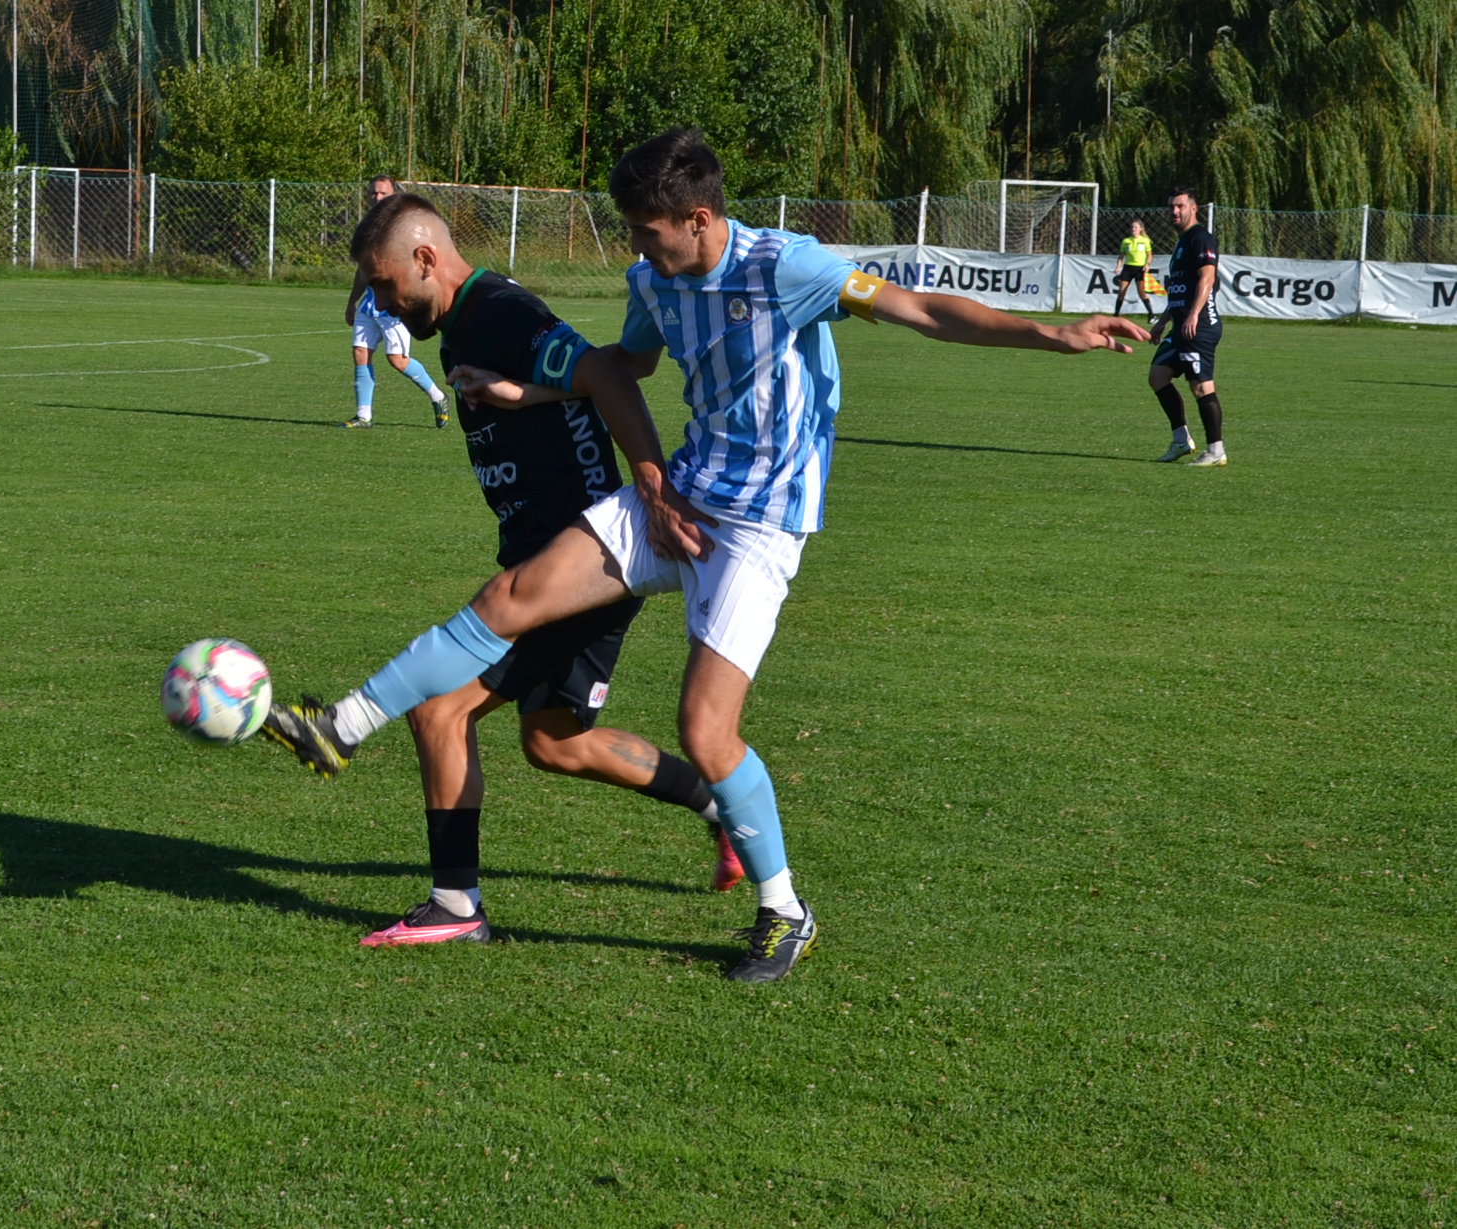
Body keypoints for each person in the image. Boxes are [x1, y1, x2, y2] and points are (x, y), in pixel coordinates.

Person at [266, 128, 1148, 983]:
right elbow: (628, 364)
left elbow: (919, 310)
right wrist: (537, 395)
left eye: (649, 232)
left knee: (704, 729)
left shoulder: (785, 267)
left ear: (695, 218)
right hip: (678, 495)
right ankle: (341, 725)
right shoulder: (652, 278)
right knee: (513, 593)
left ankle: (784, 909)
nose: (639, 250)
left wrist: (1051, 334)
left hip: (760, 525)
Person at [322, 196, 742, 945]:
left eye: (385, 285)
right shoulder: (459, 324)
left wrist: (650, 490)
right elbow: (576, 381)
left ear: (425, 259)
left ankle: (454, 905)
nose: (382, 302)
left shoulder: (496, 312)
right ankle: (722, 805)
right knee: (554, 740)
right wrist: (521, 395)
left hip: (575, 566)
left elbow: (609, 375)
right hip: (551, 559)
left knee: (439, 709)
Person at [342, 175, 451, 429]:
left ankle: (438, 396)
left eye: (383, 193)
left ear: (394, 195)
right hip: (369, 305)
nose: (377, 198)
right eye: (373, 193)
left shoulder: (406, 226)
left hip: (395, 305)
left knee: (397, 360)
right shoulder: (367, 228)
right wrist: (351, 302)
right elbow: (363, 270)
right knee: (360, 353)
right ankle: (363, 416)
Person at [1148, 186, 1227, 466]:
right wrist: (1162, 322)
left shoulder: (1200, 238)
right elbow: (1180, 289)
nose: (1174, 211)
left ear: (1193, 208)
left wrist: (1194, 314)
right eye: (1171, 206)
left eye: (1180, 206)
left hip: (1199, 327)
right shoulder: (1182, 241)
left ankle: (1216, 451)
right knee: (1157, 376)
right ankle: (1181, 441)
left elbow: (1207, 278)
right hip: (1179, 326)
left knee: (1202, 388)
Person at [1112, 221, 1156, 321]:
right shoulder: (1126, 241)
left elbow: (1149, 255)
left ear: (1140, 229)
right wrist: (1118, 267)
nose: (1133, 229)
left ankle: (1151, 315)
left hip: (1139, 269)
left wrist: (1147, 264)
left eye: (1135, 227)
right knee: (1121, 292)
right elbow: (1121, 256)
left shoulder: (1145, 240)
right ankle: (1116, 315)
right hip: (1128, 268)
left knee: (1141, 293)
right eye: (1132, 227)